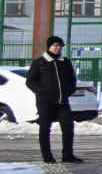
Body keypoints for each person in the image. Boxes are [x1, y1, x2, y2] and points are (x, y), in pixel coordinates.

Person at [26, 35, 82, 164]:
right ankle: (47, 156)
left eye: (60, 46)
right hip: (45, 102)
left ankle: (68, 154)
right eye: (55, 45)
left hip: (62, 102)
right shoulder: (40, 62)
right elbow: (30, 81)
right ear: (49, 46)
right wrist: (42, 91)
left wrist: (70, 90)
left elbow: (72, 79)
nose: (58, 48)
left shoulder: (65, 62)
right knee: (45, 128)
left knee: (68, 126)